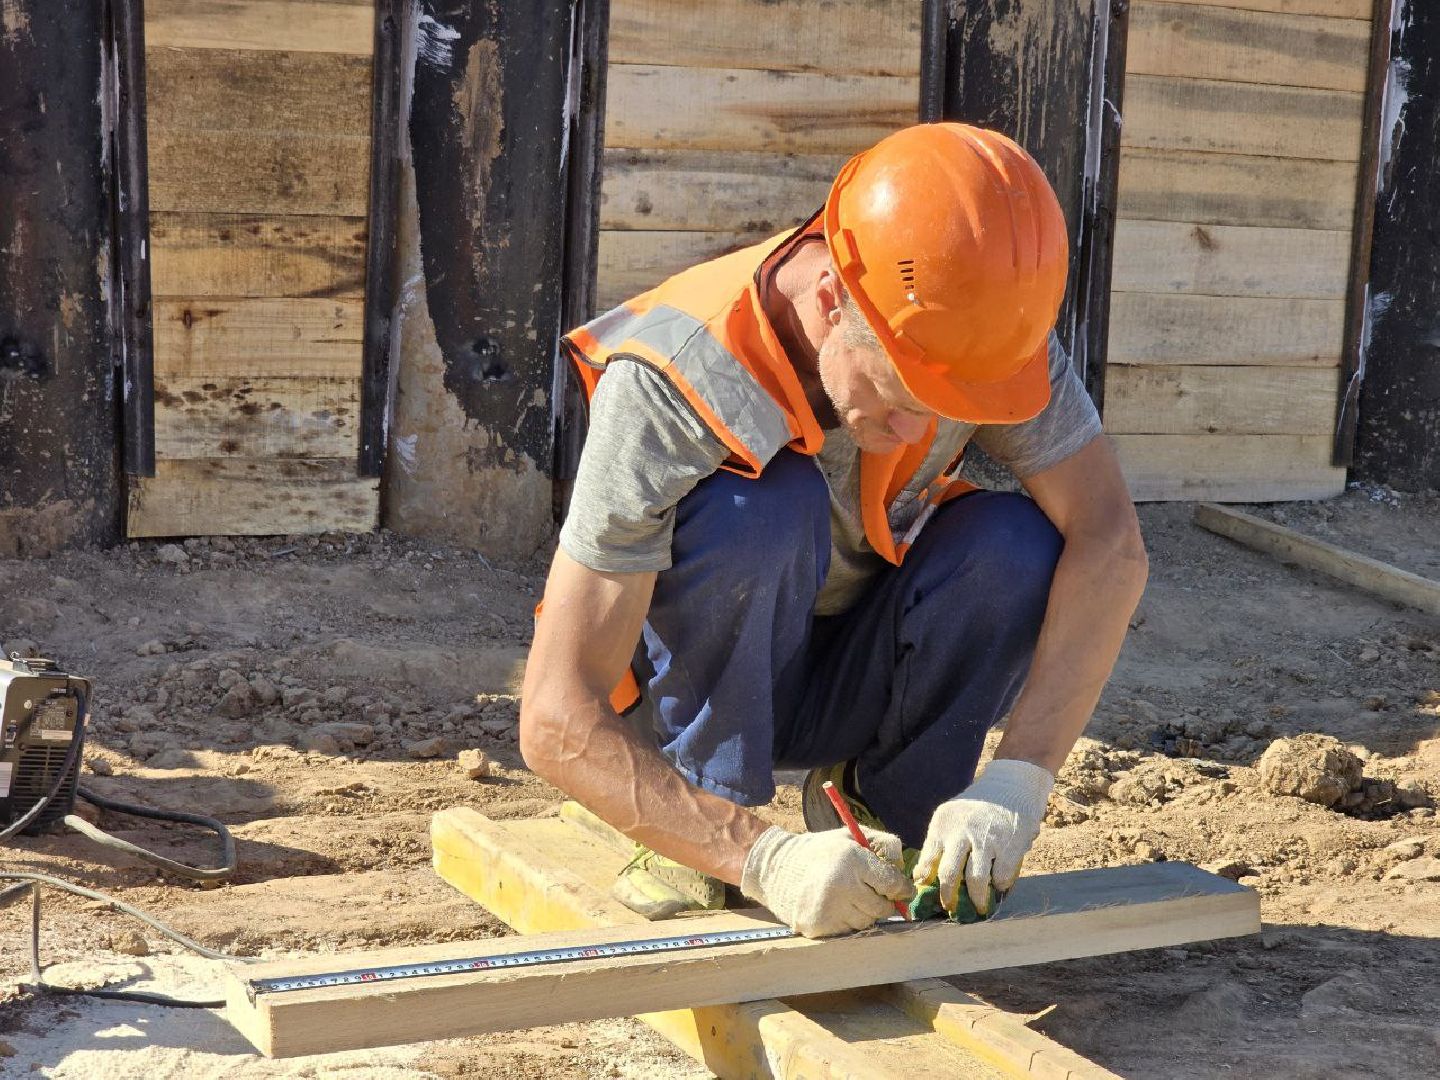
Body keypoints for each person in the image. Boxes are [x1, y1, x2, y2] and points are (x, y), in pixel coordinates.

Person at [519, 122, 1149, 939]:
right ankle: (703, 827)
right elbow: (553, 715)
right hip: (693, 693)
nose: (920, 424)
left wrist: (1019, 780)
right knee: (763, 507)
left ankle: (883, 805)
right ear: (828, 302)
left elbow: (1111, 542)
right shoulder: (675, 377)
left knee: (1016, 547)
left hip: (839, 672)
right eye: (902, 392)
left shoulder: (976, 336)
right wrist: (759, 857)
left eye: (949, 404)